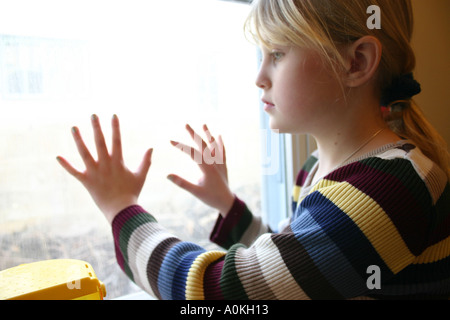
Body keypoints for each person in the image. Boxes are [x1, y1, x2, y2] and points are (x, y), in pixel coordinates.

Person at [57, 0, 450, 300]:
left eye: (277, 55)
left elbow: (220, 293)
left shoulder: (391, 188)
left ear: (356, 63)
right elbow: (295, 264)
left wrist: (120, 209)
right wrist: (227, 204)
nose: (258, 77)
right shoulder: (317, 168)